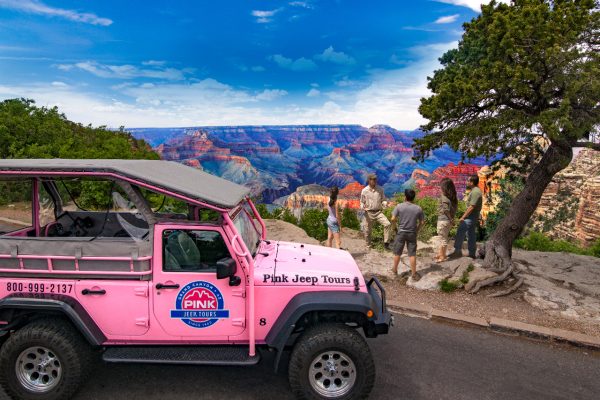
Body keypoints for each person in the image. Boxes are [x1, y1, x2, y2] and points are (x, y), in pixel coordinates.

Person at [391, 189, 424, 281]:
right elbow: (422, 222)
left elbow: (393, 219)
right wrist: (417, 230)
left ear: (405, 197)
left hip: (401, 232)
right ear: (413, 198)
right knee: (412, 254)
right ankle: (413, 274)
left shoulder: (399, 206)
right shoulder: (418, 208)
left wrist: (394, 228)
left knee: (397, 252)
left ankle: (394, 270)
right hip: (412, 233)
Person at [452, 175, 483, 258]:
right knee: (471, 234)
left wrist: (463, 217)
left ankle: (457, 251)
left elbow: (472, 207)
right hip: (473, 215)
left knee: (461, 230)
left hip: (471, 216)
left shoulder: (475, 192)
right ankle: (472, 254)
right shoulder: (475, 190)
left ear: (472, 182)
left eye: (468, 181)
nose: (467, 182)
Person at [360, 174, 392, 249]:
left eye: (375, 179)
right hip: (368, 213)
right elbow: (362, 202)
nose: (374, 181)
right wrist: (362, 206)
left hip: (378, 212)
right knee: (367, 230)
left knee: (387, 224)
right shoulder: (364, 190)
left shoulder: (380, 189)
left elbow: (383, 200)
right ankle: (368, 245)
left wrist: (385, 203)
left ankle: (386, 243)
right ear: (369, 180)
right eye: (373, 179)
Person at [435, 178, 458, 262]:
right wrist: (451, 220)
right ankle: (440, 254)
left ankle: (442, 257)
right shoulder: (453, 198)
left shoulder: (444, 197)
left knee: (442, 239)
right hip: (447, 222)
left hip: (443, 220)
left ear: (444, 188)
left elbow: (445, 210)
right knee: (443, 237)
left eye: (441, 187)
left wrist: (451, 219)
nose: (440, 188)